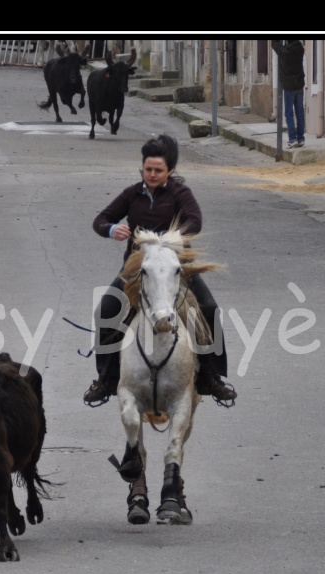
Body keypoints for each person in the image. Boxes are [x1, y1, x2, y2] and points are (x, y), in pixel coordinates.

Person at [83, 134, 237, 407]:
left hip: (177, 270)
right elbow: (100, 220)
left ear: (170, 171)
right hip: (137, 272)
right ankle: (106, 379)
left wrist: (170, 241)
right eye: (148, 169)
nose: (152, 174)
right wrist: (111, 229)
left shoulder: (180, 194)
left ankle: (211, 377)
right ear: (142, 168)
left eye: (158, 170)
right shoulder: (132, 194)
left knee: (210, 309)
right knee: (105, 309)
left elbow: (194, 221)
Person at [271, 39, 306, 149]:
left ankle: (292, 138)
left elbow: (274, 44)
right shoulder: (300, 48)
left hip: (289, 86)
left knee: (289, 113)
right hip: (299, 84)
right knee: (300, 112)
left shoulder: (284, 52)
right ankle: (300, 138)